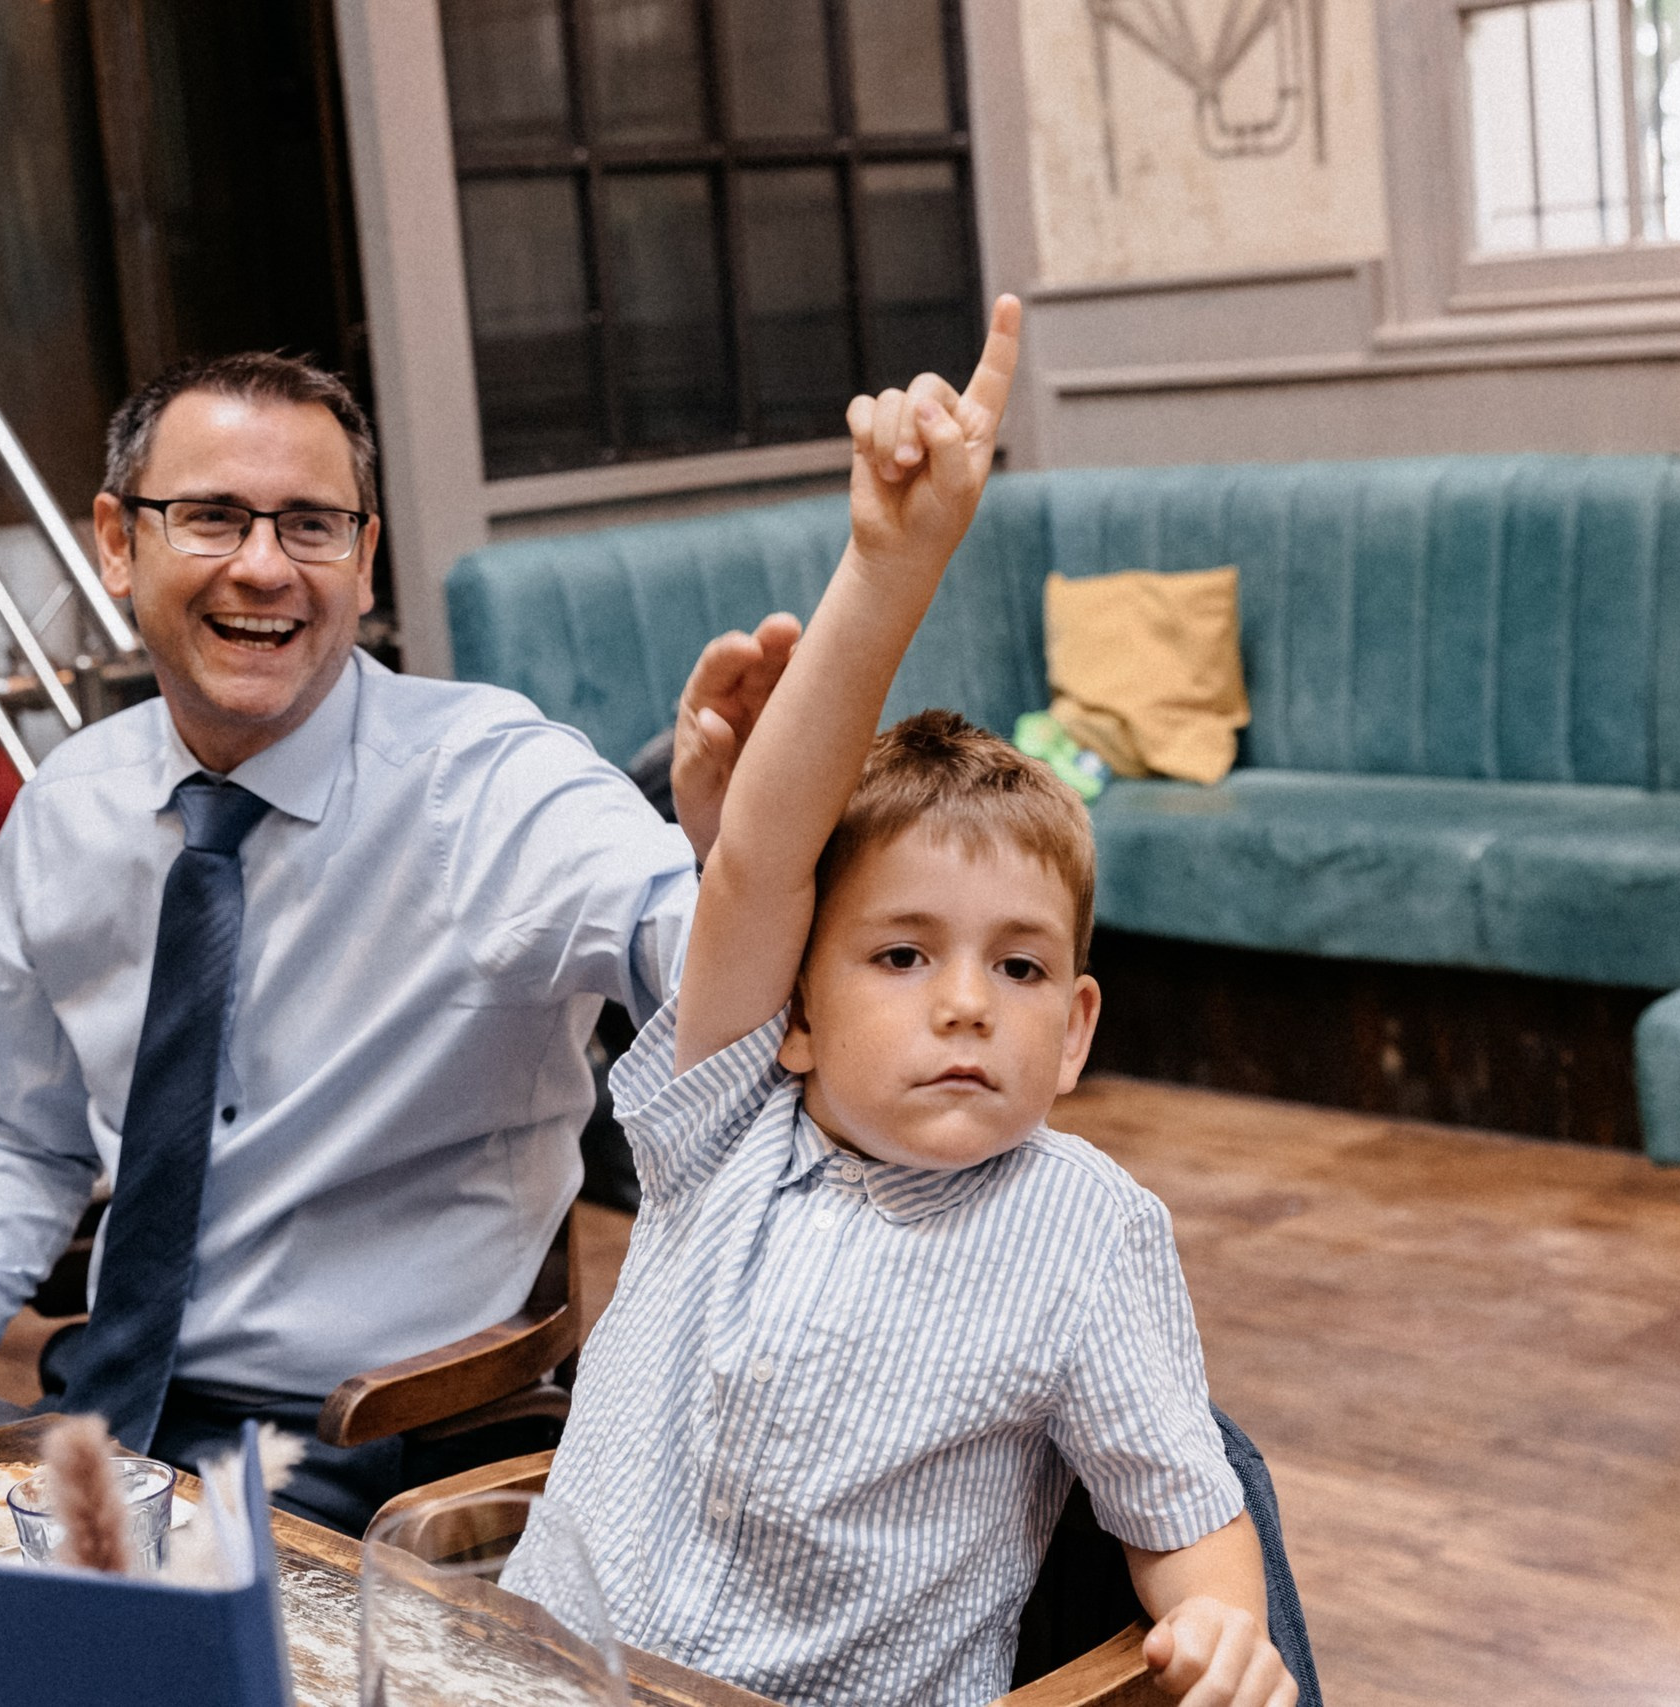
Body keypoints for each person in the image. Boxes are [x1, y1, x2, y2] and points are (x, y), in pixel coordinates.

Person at [501, 296, 1299, 1707]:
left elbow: (1187, 1504)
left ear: (1079, 1030)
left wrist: (1229, 1625)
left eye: (1019, 965)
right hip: (537, 1680)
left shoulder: (1088, 1228)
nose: (966, 1004)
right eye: (900, 954)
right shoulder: (726, 1119)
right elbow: (756, 858)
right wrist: (893, 558)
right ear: (794, 1014)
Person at [0, 350, 799, 1533]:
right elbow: (22, 1129)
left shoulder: (492, 788)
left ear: (363, 560)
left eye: (311, 524)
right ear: (118, 542)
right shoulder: (67, 812)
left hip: (372, 1440)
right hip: (103, 1413)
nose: (263, 566)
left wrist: (748, 853)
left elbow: (710, 965)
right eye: (209, 516)